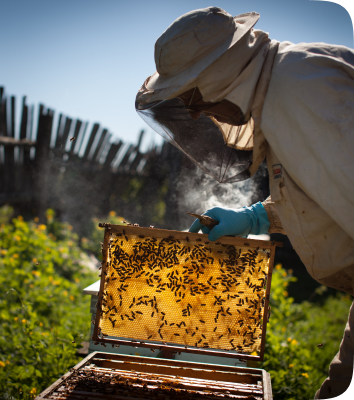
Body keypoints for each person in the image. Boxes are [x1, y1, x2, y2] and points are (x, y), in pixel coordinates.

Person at [135, 7, 354, 400]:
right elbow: (328, 188)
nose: (195, 112)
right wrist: (256, 217)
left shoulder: (301, 90)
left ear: (219, 73)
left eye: (191, 95)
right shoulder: (285, 85)